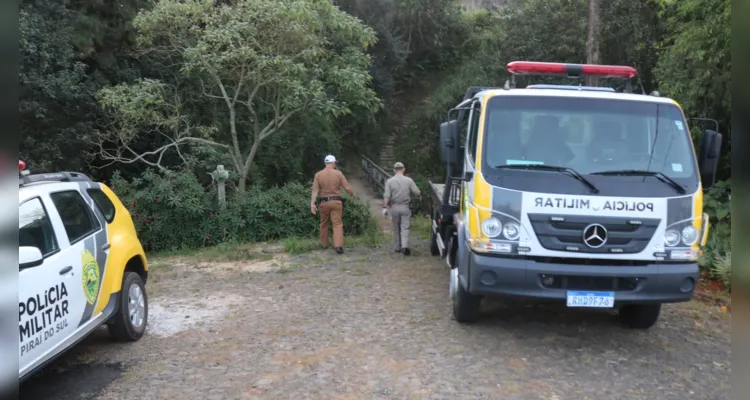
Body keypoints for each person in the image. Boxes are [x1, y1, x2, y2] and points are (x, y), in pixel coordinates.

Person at [310, 155, 354, 254]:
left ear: (325, 163)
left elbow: (315, 190)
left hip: (323, 202)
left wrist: (312, 203)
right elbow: (347, 188)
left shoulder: (318, 175)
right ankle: (338, 246)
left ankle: (324, 244)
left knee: (323, 224)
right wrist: (352, 194)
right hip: (336, 202)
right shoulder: (338, 174)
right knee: (337, 224)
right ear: (333, 163)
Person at [382, 162, 421, 255]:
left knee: (396, 227)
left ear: (394, 170)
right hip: (405, 207)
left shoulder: (389, 181)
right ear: (403, 169)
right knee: (405, 227)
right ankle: (404, 246)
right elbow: (416, 192)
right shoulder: (409, 180)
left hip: (394, 207)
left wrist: (385, 206)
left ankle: (397, 247)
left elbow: (386, 195)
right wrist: (419, 195)